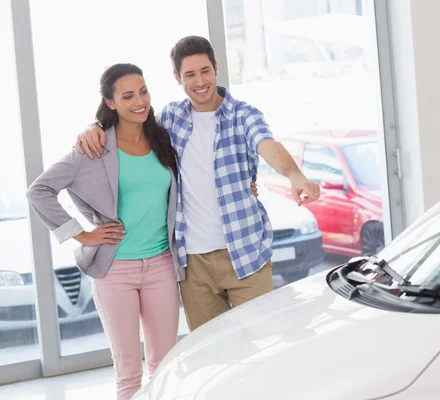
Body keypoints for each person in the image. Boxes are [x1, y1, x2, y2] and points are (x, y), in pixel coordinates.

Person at [76, 36, 321, 332]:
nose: (200, 81)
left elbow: (267, 144)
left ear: (216, 68)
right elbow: (129, 125)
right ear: (177, 78)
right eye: (189, 74)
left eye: (205, 70)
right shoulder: (170, 118)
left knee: (263, 347)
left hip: (245, 254)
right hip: (192, 265)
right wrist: (96, 125)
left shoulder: (244, 115)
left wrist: (295, 175)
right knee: (212, 356)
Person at [28, 63, 181, 400]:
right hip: (115, 270)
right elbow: (39, 191)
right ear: (110, 103)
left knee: (165, 365)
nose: (140, 101)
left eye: (143, 91)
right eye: (127, 96)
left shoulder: (162, 138)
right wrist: (81, 234)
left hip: (162, 265)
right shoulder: (93, 149)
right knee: (129, 373)